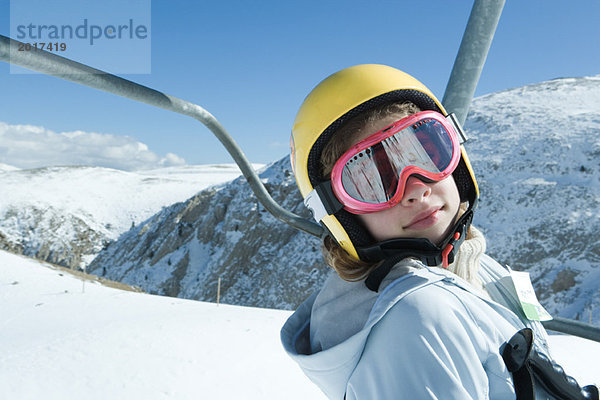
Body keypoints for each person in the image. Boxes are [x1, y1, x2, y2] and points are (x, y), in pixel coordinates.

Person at [281, 64, 598, 399]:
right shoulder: (414, 320)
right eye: (372, 180)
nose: (415, 188)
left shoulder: (475, 264)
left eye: (426, 151)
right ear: (340, 213)